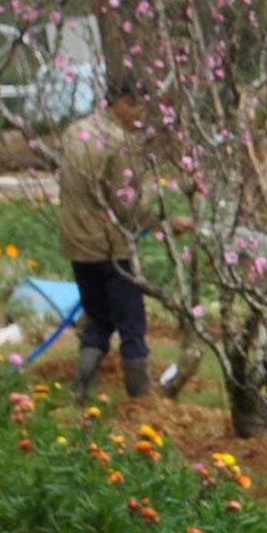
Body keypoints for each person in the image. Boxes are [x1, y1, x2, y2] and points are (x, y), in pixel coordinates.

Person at [56, 71, 183, 402]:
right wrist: (162, 222)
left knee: (98, 318)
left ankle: (82, 395)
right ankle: (141, 402)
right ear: (124, 103)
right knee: (132, 325)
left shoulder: (74, 132)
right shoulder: (118, 141)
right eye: (140, 107)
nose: (142, 115)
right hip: (110, 245)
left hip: (76, 242)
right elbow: (125, 203)